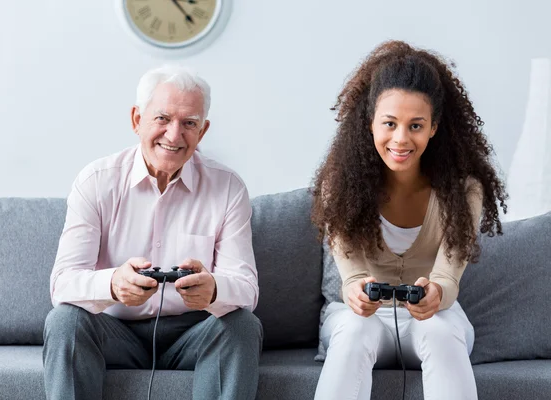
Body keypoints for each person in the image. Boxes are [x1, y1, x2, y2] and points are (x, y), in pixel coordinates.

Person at [43, 66, 262, 400]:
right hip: (113, 331)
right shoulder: (96, 181)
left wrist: (214, 289)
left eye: (189, 123)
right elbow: (62, 284)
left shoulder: (228, 187)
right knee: (64, 322)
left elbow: (246, 289)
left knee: (243, 325)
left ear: (202, 132)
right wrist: (113, 284)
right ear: (136, 119)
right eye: (162, 118)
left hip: (194, 333)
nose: (174, 136)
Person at [311, 41, 508, 399]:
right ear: (370, 123)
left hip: (433, 320)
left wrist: (436, 294)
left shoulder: (465, 191)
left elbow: (447, 277)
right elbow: (352, 275)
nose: (401, 139)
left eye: (415, 125)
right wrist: (356, 293)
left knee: (440, 330)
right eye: (389, 123)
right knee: (355, 331)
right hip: (362, 320)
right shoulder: (339, 186)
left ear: (433, 127)